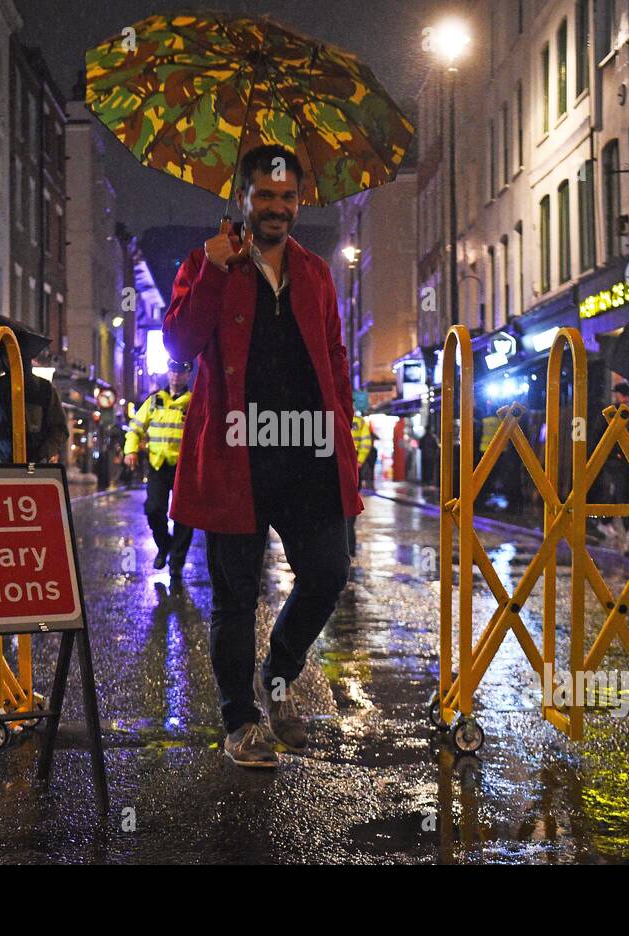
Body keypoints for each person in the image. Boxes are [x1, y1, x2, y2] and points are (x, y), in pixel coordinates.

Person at [163, 144, 360, 768]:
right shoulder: (210, 261)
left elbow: (333, 354)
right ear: (242, 198)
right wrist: (215, 271)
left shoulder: (316, 271)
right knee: (235, 598)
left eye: (287, 197)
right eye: (265, 196)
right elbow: (178, 342)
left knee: (328, 571)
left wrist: (342, 424)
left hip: (307, 451)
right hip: (235, 455)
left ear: (297, 203)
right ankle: (239, 722)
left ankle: (279, 673)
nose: (277, 207)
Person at [124, 359, 195, 576]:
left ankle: (176, 561)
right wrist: (131, 450)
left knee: (184, 517)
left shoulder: (193, 402)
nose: (176, 376)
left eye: (181, 372)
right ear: (168, 373)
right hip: (158, 465)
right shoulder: (154, 401)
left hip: (184, 468)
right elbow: (136, 428)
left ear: (188, 375)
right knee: (154, 510)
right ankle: (165, 546)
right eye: (173, 371)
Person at [599, 382, 629, 557]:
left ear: (623, 395)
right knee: (622, 497)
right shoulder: (625, 411)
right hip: (621, 463)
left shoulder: (627, 412)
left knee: (624, 497)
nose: (615, 397)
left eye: (617, 394)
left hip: (624, 463)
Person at [347, 410, 373, 555]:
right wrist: (359, 461)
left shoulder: (332, 414)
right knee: (350, 505)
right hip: (354, 465)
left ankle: (346, 547)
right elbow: (366, 442)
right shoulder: (359, 422)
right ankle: (349, 547)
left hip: (340, 464)